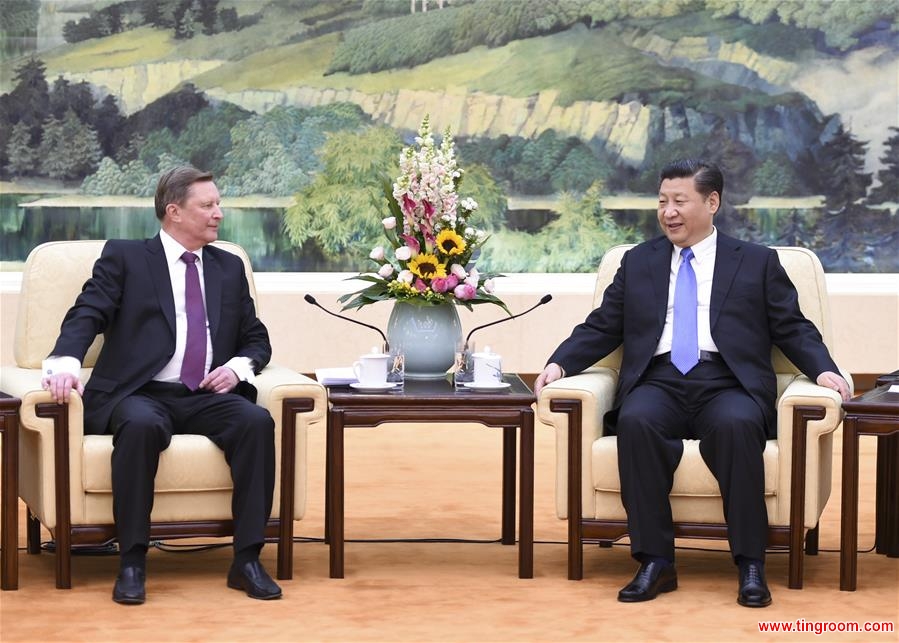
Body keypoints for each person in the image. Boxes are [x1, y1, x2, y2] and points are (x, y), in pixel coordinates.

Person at [534, 158, 850, 608]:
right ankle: (655, 562)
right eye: (662, 202)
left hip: (728, 382)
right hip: (658, 379)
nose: (668, 212)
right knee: (637, 422)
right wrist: (560, 364)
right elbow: (603, 325)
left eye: (679, 201)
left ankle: (751, 563)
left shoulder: (757, 263)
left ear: (712, 202)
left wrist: (824, 369)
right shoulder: (638, 261)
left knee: (738, 427)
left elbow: (792, 328)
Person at [42, 166, 282, 605]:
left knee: (256, 422)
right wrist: (64, 361)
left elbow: (256, 338)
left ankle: (246, 559)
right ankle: (132, 561)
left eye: (218, 204)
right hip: (140, 393)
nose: (219, 214)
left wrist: (237, 367)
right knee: (140, 427)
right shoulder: (127, 258)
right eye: (207, 205)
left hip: (207, 394)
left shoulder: (228, 267)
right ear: (174, 212)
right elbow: (88, 312)